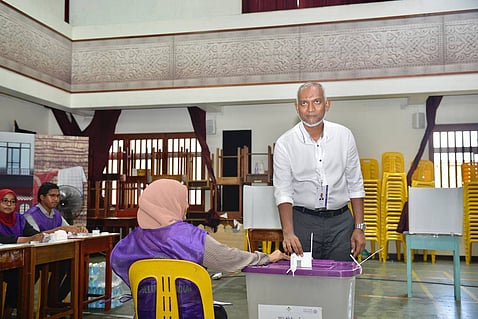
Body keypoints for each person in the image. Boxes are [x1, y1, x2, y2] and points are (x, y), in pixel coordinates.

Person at [111, 179, 289, 319]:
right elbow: (228, 259)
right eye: (183, 201)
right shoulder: (190, 237)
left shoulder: (129, 242)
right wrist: (265, 257)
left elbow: (116, 261)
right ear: (171, 203)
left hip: (148, 314)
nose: (187, 206)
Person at [273, 82, 366, 261]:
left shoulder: (344, 136)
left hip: (340, 223)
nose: (310, 109)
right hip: (302, 222)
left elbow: (355, 183)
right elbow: (283, 191)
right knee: (304, 282)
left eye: (316, 101)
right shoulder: (285, 143)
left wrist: (359, 227)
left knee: (340, 281)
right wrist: (288, 232)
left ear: (327, 104)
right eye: (304, 103)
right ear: (296, 107)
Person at [24, 182, 88, 306]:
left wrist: (79, 229)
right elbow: (36, 236)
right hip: (36, 256)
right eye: (52, 195)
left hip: (54, 254)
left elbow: (67, 229)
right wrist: (61, 230)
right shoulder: (31, 215)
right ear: (42, 197)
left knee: (78, 266)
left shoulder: (56, 214)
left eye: (58, 196)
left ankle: (55, 300)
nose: (56, 199)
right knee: (63, 266)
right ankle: (49, 302)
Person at [0, 189, 45, 319]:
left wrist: (38, 236)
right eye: (5, 201)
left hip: (16, 261)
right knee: (18, 275)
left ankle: (11, 309)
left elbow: (31, 233)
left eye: (12, 202)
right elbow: (3, 238)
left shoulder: (19, 218)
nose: (9, 205)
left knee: (31, 271)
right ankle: (7, 310)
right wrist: (28, 239)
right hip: (2, 262)